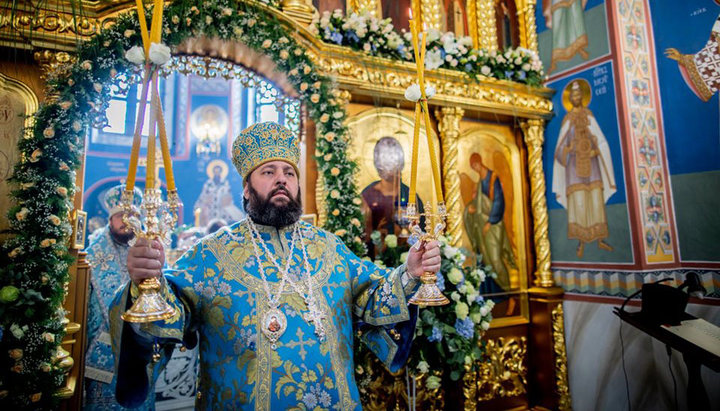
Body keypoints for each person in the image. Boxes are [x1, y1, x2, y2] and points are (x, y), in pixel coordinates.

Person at [110, 122, 441, 409]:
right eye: (268, 172)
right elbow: (169, 315)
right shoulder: (210, 255)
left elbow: (373, 297)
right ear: (246, 188)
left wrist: (410, 272)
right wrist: (146, 282)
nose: (281, 179)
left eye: (289, 173)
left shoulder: (330, 248)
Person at [84, 184, 157, 410]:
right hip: (103, 351)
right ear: (110, 219)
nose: (127, 221)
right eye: (121, 216)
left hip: (142, 346)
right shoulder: (94, 254)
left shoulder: (150, 248)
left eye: (133, 216)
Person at [552, 80, 616, 258]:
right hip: (574, 170)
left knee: (596, 201)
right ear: (570, 99)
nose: (576, 98)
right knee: (579, 203)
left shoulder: (589, 116)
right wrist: (569, 149)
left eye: (579, 95)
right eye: (573, 96)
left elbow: (600, 140)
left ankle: (600, 239)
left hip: (592, 166)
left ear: (583, 97)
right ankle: (581, 242)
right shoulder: (566, 120)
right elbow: (559, 150)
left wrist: (597, 151)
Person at [361, 136, 424, 259]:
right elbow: (361, 235)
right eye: (385, 159)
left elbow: (421, 231)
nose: (390, 165)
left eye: (393, 159)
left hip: (406, 260)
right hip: (374, 260)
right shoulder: (368, 195)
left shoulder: (411, 196)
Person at [463, 153, 517, 292]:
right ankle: (495, 294)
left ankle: (507, 291)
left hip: (493, 226)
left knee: (495, 260)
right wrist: (472, 208)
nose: (474, 169)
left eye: (475, 165)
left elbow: (499, 202)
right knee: (485, 260)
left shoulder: (493, 179)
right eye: (472, 167)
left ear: (479, 163)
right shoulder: (480, 183)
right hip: (483, 226)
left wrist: (490, 222)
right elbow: (480, 203)